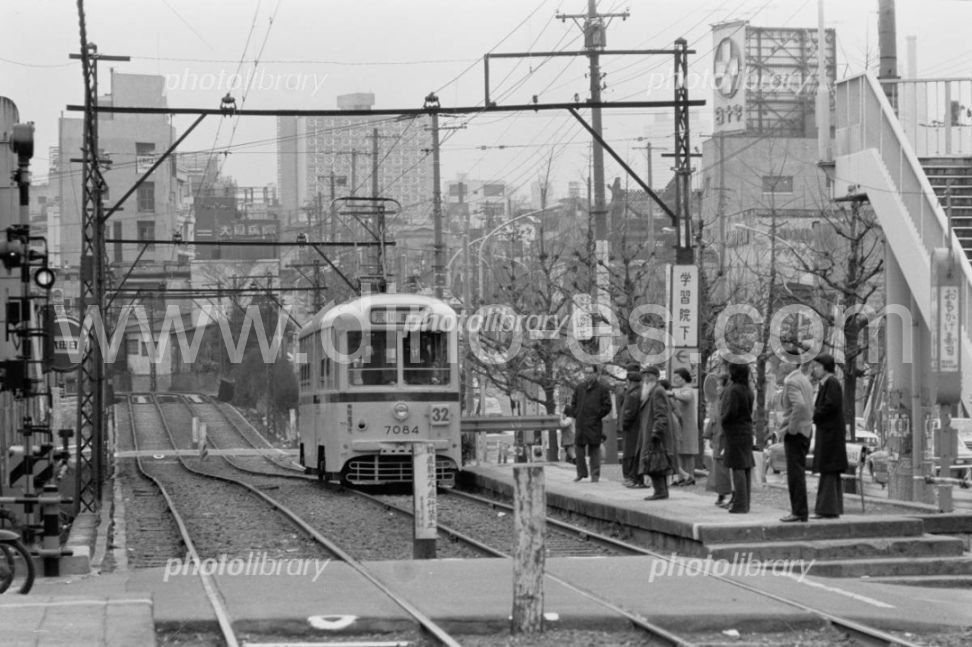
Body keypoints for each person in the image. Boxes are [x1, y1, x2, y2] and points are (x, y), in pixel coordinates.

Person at [810, 353, 848, 519]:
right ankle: (832, 508)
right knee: (830, 472)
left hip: (830, 436)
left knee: (828, 470)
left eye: (817, 366)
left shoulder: (831, 383)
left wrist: (815, 413)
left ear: (825, 367)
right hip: (830, 434)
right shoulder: (828, 383)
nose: (815, 369)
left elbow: (830, 406)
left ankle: (826, 509)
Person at [777, 352, 814, 523]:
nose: (780, 365)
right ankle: (800, 511)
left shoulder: (791, 381)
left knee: (795, 474)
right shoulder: (804, 380)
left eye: (784, 361)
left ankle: (798, 511)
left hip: (796, 432)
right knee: (798, 472)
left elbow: (800, 405)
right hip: (805, 430)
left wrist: (791, 428)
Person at [563, 364, 612, 482]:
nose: (588, 375)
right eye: (586, 373)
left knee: (594, 449)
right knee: (579, 449)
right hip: (580, 423)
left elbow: (607, 406)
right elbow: (574, 403)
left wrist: (597, 414)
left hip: (594, 423)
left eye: (591, 373)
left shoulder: (602, 389)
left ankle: (595, 475)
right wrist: (576, 413)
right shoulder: (580, 388)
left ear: (596, 374)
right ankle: (581, 473)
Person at [721, 361, 755, 514]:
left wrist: (723, 420)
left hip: (734, 431)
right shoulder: (748, 390)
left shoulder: (733, 390)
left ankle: (740, 504)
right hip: (746, 430)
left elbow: (730, 412)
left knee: (737, 467)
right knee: (745, 465)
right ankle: (745, 502)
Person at [638, 366, 676, 500]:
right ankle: (660, 490)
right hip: (651, 430)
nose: (646, 378)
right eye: (645, 376)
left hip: (655, 432)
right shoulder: (652, 391)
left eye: (649, 375)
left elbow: (661, 414)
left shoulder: (657, 391)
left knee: (655, 460)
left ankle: (660, 491)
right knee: (655, 460)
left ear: (656, 377)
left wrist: (656, 431)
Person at [703, 372, 732, 507]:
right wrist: (708, 435)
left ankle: (725, 493)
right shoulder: (716, 401)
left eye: (720, 385)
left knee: (723, 468)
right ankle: (721, 493)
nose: (717, 388)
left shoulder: (726, 400)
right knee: (718, 468)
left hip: (724, 438)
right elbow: (712, 420)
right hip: (717, 438)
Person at [669, 368, 700, 486]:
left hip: (688, 426)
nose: (675, 379)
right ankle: (682, 476)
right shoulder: (681, 390)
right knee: (681, 452)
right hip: (682, 426)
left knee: (688, 452)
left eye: (677, 377)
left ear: (684, 378)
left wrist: (672, 394)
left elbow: (686, 397)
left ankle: (690, 476)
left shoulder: (688, 390)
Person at [618, 363, 647, 488]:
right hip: (639, 427)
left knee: (629, 453)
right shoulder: (641, 391)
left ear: (629, 381)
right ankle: (637, 478)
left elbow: (628, 412)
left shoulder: (632, 394)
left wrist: (624, 424)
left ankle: (630, 477)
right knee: (635, 452)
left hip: (631, 428)